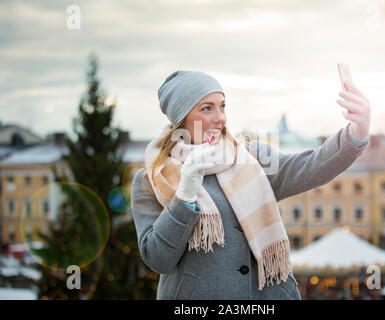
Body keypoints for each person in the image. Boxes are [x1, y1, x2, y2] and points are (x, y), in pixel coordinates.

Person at [130, 70, 371, 300]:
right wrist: (185, 194)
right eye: (207, 108)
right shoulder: (151, 180)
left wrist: (356, 134)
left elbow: (309, 167)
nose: (220, 118)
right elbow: (158, 258)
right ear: (181, 118)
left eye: (223, 106)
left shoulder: (251, 158)